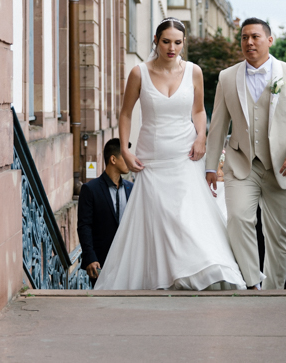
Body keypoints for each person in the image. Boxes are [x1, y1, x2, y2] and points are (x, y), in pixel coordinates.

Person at [94, 18, 245, 290]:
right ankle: (165, 277)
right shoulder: (138, 72)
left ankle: (200, 270)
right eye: (166, 41)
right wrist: (126, 151)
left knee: (186, 215)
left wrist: (202, 136)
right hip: (151, 157)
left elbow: (199, 111)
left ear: (183, 43)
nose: (171, 47)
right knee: (160, 219)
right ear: (156, 40)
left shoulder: (194, 71)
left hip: (185, 154)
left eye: (177, 42)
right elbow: (126, 114)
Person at [205, 17, 286, 290]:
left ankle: (274, 292)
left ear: (269, 40)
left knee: (278, 234)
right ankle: (252, 283)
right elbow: (218, 124)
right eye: (244, 37)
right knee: (238, 219)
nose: (249, 42)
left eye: (255, 36)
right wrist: (210, 166)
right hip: (242, 162)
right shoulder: (227, 77)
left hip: (283, 166)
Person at [77, 138, 133, 285]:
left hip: (128, 262)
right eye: (125, 156)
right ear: (113, 159)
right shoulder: (90, 189)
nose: (129, 159)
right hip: (101, 263)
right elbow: (84, 226)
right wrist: (90, 257)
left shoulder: (132, 188)